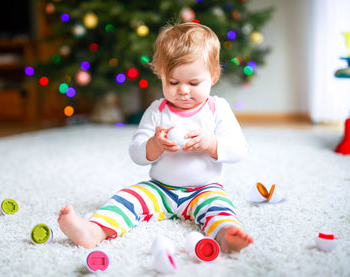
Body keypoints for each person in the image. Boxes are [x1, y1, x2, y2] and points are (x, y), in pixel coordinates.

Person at [58, 22, 253, 252]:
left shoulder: (217, 109)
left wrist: (211, 143)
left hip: (206, 188)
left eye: (193, 83)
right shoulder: (157, 111)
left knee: (220, 208)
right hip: (160, 188)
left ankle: (227, 235)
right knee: (128, 198)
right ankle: (95, 230)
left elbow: (239, 149)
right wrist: (154, 144)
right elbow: (137, 152)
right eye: (173, 82)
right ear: (161, 75)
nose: (183, 90)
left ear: (213, 76)